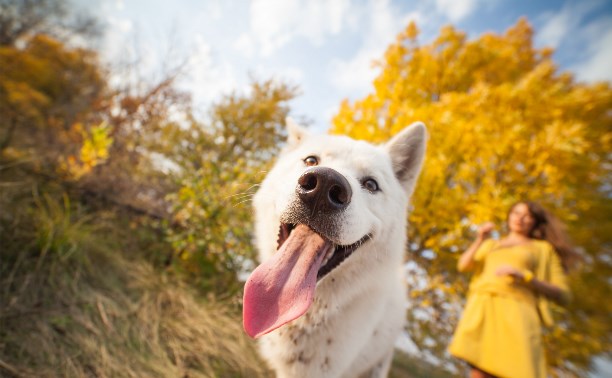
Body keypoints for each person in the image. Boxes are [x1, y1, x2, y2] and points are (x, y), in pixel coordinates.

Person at [448, 201, 581, 378]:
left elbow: (564, 295)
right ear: (509, 216)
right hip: (484, 311)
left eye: (527, 216)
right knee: (478, 371)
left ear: (534, 222)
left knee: (512, 372)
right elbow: (463, 265)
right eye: (516, 213)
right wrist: (480, 239)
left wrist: (526, 277)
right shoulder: (492, 244)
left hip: (518, 317)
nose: (520, 218)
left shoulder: (542, 249)